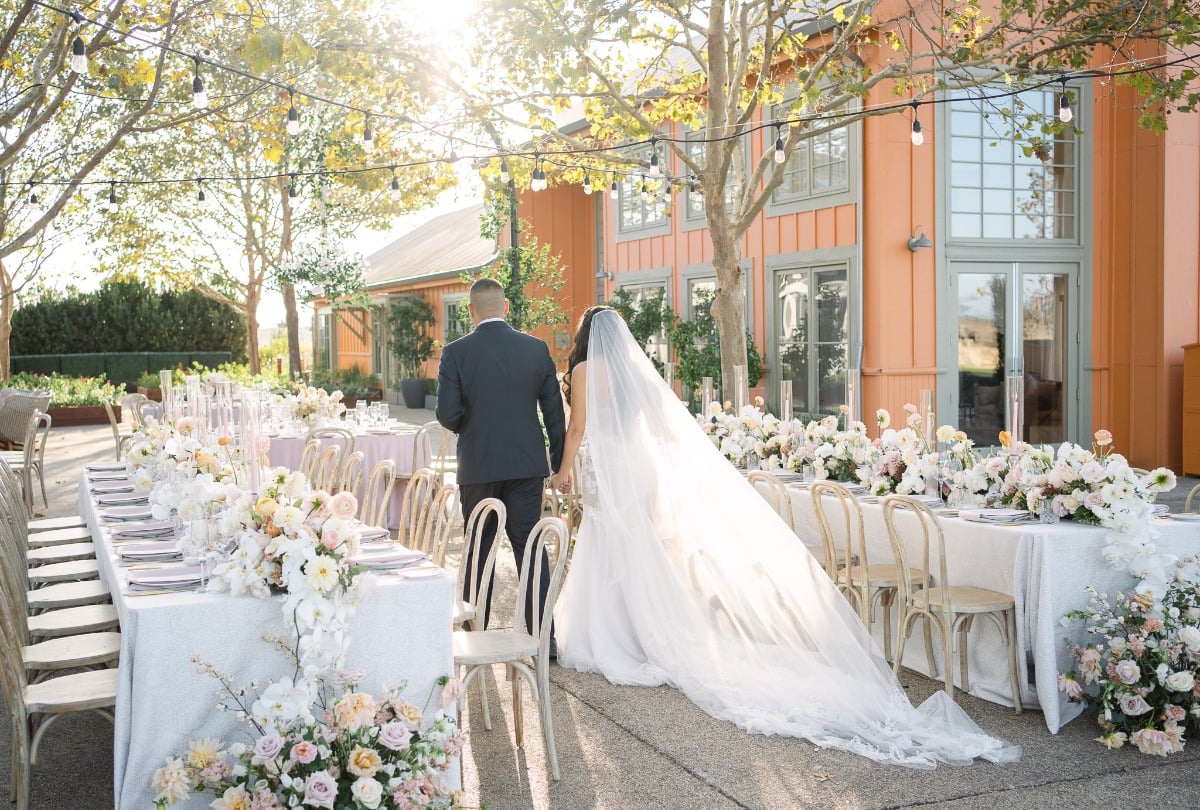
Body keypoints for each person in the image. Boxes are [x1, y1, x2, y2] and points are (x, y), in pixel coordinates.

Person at [549, 306, 1019, 769]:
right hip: (638, 466)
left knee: (610, 541)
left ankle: (620, 636)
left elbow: (578, 427)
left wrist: (564, 470)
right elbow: (660, 429)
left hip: (607, 466)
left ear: (586, 336)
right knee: (639, 547)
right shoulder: (633, 369)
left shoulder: (588, 369)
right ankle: (641, 630)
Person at [436, 279, 566, 631]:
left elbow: (447, 415)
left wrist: (474, 427)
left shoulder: (456, 352)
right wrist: (559, 464)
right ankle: (542, 637)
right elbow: (554, 413)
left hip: (478, 465)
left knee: (480, 547)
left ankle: (475, 629)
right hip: (526, 465)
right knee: (529, 547)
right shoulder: (536, 349)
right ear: (505, 307)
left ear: (470, 311)